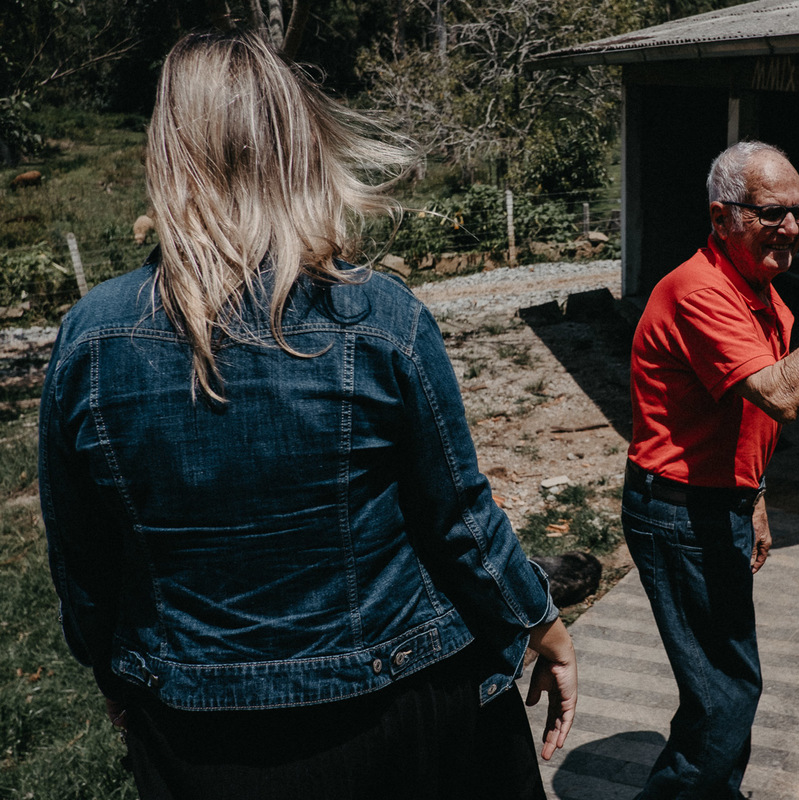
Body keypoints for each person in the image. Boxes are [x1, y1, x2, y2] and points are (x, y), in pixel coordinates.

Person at [39, 30, 575, 799]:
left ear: (170, 154)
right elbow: (460, 519)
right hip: (403, 710)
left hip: (199, 733)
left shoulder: (90, 341)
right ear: (298, 145)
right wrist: (539, 620)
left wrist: (115, 672)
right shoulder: (379, 316)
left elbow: (82, 565)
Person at [622, 140, 799, 798]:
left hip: (714, 503)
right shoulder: (701, 293)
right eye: (770, 213)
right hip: (679, 513)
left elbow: (746, 416)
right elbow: (782, 392)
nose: (792, 227)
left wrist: (754, 494)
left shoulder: (754, 287)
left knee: (727, 686)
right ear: (722, 218)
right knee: (723, 698)